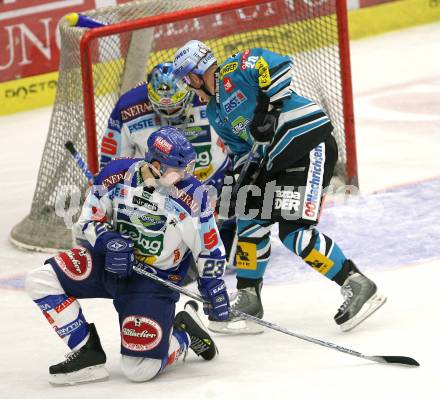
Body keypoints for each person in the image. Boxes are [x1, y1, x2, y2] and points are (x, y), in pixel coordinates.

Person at [172, 40, 386, 334]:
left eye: (187, 81)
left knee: (294, 231)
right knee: (248, 215)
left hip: (307, 143)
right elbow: (243, 152)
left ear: (195, 75)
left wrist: (268, 110)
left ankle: (357, 283)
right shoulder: (214, 112)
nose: (189, 88)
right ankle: (249, 298)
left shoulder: (236, 68)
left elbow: (279, 65)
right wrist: (237, 184)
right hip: (275, 160)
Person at [25, 126, 230, 385]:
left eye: (186, 170)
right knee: (40, 280)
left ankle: (183, 334)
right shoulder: (116, 174)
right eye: (177, 170)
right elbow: (88, 219)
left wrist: (213, 285)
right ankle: (86, 351)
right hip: (107, 263)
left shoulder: (194, 196)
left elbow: (209, 248)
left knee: (139, 370)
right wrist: (108, 241)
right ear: (155, 164)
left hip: (153, 281)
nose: (182, 176)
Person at [100, 62, 236, 278]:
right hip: (159, 199)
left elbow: (238, 140)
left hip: (217, 187)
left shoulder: (209, 93)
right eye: (163, 108)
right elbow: (113, 161)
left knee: (227, 253)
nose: (170, 113)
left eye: (175, 105)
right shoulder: (128, 107)